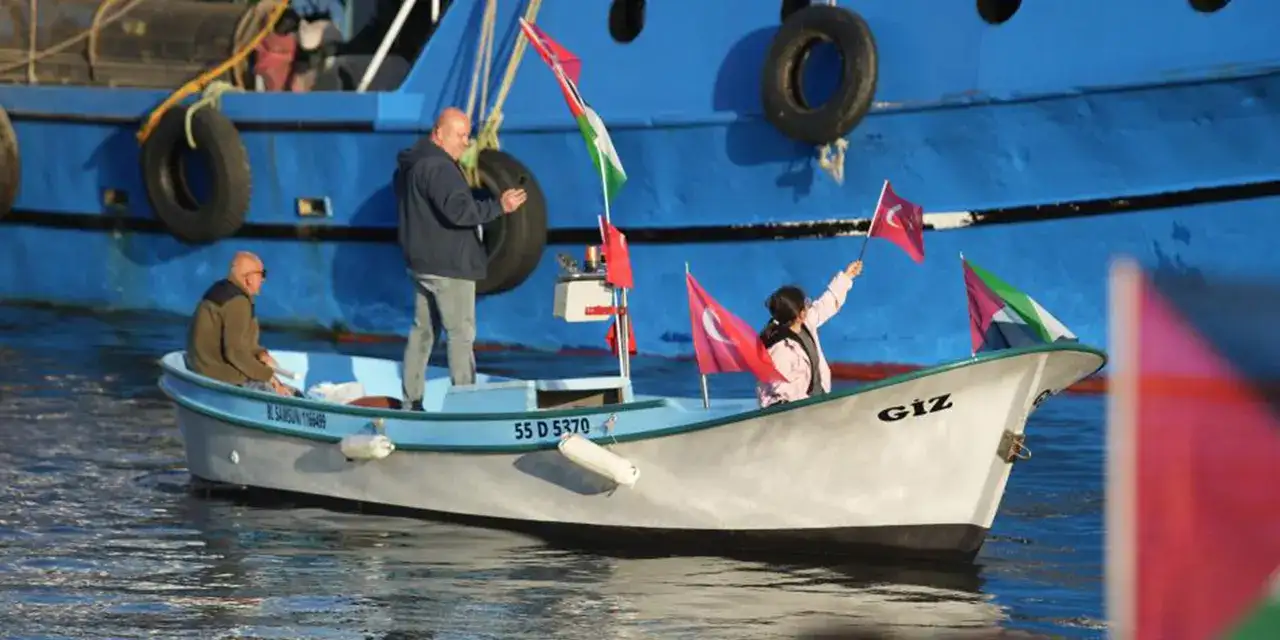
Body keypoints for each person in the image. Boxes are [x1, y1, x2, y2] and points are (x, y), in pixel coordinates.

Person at [396, 106, 528, 410]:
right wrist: (499, 206)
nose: (465, 142)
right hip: (450, 266)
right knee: (460, 335)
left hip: (420, 264)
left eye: (467, 135)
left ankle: (411, 402)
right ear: (438, 133)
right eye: (459, 135)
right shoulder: (440, 167)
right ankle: (467, 404)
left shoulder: (411, 162)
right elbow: (459, 211)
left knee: (422, 333)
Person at [185, 251, 298, 397]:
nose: (263, 279)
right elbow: (236, 353)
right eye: (261, 274)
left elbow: (238, 340)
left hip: (201, 366)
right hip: (221, 375)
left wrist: (260, 354)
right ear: (248, 278)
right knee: (292, 395)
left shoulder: (219, 290)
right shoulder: (238, 303)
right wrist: (269, 376)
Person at [756, 259, 864, 408]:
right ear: (800, 314)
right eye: (806, 303)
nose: (809, 304)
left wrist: (846, 277)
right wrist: (812, 407)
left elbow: (825, 304)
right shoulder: (779, 349)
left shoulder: (804, 324)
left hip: (816, 403)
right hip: (792, 413)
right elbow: (783, 392)